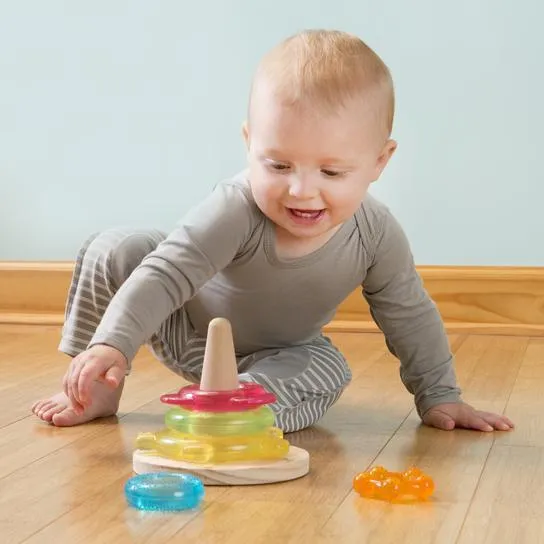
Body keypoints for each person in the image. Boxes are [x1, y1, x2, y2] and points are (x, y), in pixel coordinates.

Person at [32, 29, 513, 434]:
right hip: (188, 329)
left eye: (332, 173)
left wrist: (439, 396)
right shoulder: (234, 208)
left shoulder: (376, 234)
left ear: (379, 162)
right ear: (249, 144)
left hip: (279, 354)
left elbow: (409, 315)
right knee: (118, 247)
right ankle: (91, 386)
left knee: (328, 368)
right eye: (278, 164)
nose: (302, 191)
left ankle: (237, 405)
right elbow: (164, 274)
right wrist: (111, 342)